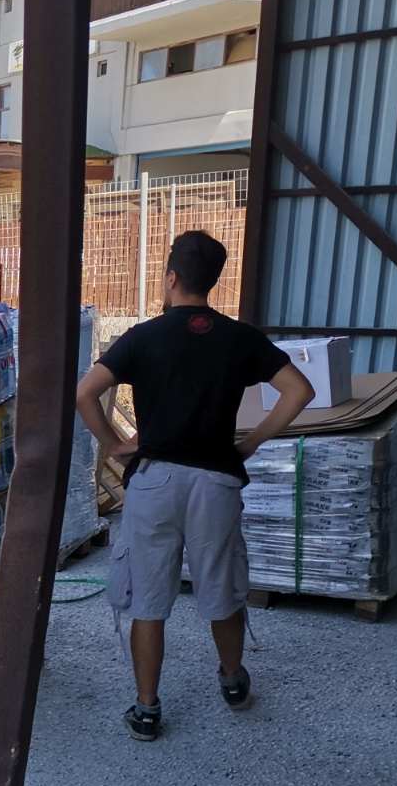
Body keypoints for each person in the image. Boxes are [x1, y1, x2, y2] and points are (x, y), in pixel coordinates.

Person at [75, 231, 315, 741]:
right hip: (215, 481)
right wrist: (252, 444)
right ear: (212, 281)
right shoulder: (239, 337)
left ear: (171, 278)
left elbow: (86, 392)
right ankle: (231, 681)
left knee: (149, 598)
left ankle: (146, 708)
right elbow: (300, 390)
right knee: (221, 587)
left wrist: (115, 442)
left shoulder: (143, 336)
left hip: (154, 481)